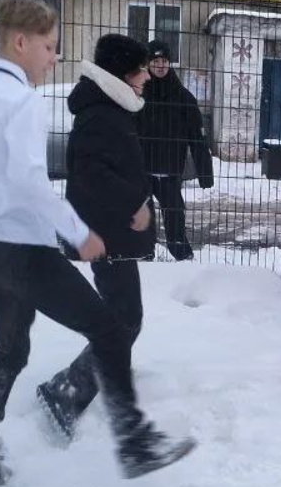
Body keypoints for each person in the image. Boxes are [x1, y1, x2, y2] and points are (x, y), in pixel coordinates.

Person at [0, 1, 194, 487]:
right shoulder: (23, 101)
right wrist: (80, 232)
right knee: (112, 331)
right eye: (50, 47)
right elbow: (32, 182)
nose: (55, 59)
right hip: (24, 252)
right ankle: (136, 442)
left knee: (9, 351)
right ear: (21, 43)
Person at [33, 33, 177, 445]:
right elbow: (90, 175)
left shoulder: (109, 109)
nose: (147, 77)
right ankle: (65, 391)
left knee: (122, 318)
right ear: (121, 74)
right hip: (106, 234)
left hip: (109, 232)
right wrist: (136, 202)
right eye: (140, 70)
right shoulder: (102, 115)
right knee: (124, 321)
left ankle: (81, 383)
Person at [137, 40, 215, 261]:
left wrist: (205, 174)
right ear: (148, 64)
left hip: (171, 170)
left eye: (164, 61)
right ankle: (144, 253)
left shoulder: (183, 98)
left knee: (175, 215)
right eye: (155, 61)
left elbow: (197, 139)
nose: (160, 66)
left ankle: (182, 254)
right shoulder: (139, 94)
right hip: (143, 170)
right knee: (143, 216)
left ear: (170, 64)